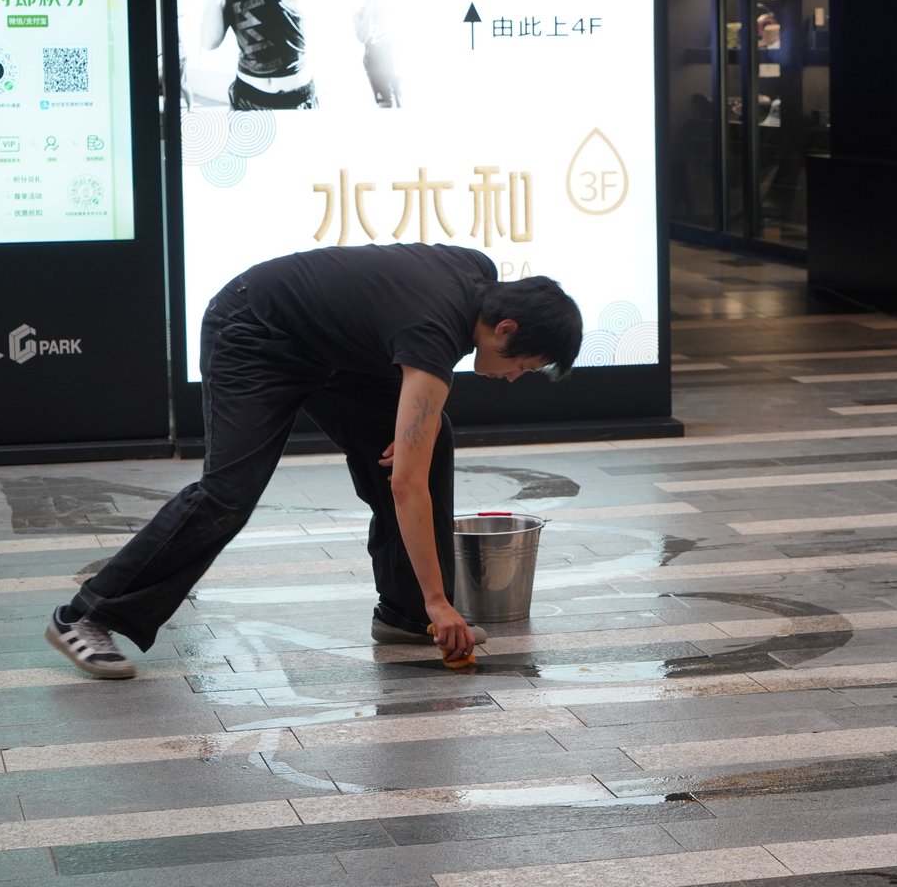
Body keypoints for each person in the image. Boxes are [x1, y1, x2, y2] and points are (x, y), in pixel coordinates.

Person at [45, 244, 583, 677]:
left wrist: (408, 435)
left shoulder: (477, 273)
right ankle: (85, 616)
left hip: (334, 353)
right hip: (256, 332)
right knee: (228, 494)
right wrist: (442, 600)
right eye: (524, 366)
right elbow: (407, 486)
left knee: (431, 435)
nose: (514, 378)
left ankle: (406, 614)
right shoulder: (433, 330)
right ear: (506, 329)